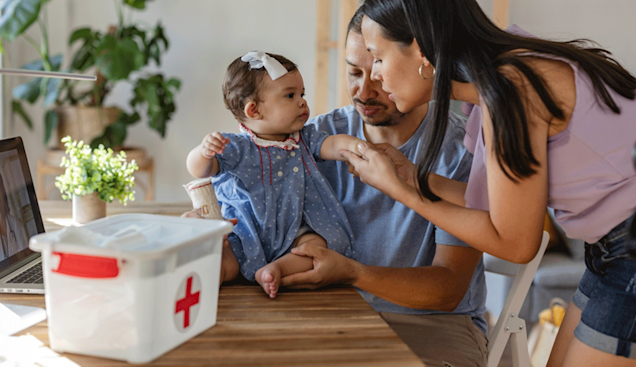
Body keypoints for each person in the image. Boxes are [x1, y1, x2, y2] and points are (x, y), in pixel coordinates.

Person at [340, 1, 636, 366]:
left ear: (420, 49)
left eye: (378, 58)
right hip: (610, 250)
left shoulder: (512, 89)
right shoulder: (501, 76)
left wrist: (403, 193)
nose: (377, 77)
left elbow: (515, 243)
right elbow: (496, 206)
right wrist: (409, 176)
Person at [281, 8, 488, 367]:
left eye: (377, 68)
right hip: (329, 314)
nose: (364, 90)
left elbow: (448, 290)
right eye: (354, 71)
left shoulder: (462, 150)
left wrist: (352, 272)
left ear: (418, 62)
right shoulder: (316, 138)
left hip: (432, 325)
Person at [186, 51, 365, 298]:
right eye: (290, 95)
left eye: (302, 94)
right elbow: (199, 171)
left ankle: (276, 269)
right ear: (254, 110)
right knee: (225, 259)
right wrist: (203, 152)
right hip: (245, 232)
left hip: (294, 231)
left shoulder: (304, 139)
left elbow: (333, 145)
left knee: (319, 245)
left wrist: (357, 148)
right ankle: (207, 279)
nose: (302, 102)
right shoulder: (236, 147)